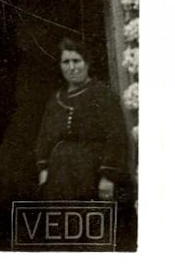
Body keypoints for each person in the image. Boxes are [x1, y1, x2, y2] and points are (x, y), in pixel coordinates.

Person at [34, 37, 128, 202]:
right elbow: (44, 138)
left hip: (90, 173)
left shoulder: (102, 94)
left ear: (87, 63)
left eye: (76, 61)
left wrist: (107, 177)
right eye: (66, 62)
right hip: (59, 174)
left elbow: (116, 136)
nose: (72, 67)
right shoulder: (56, 99)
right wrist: (44, 170)